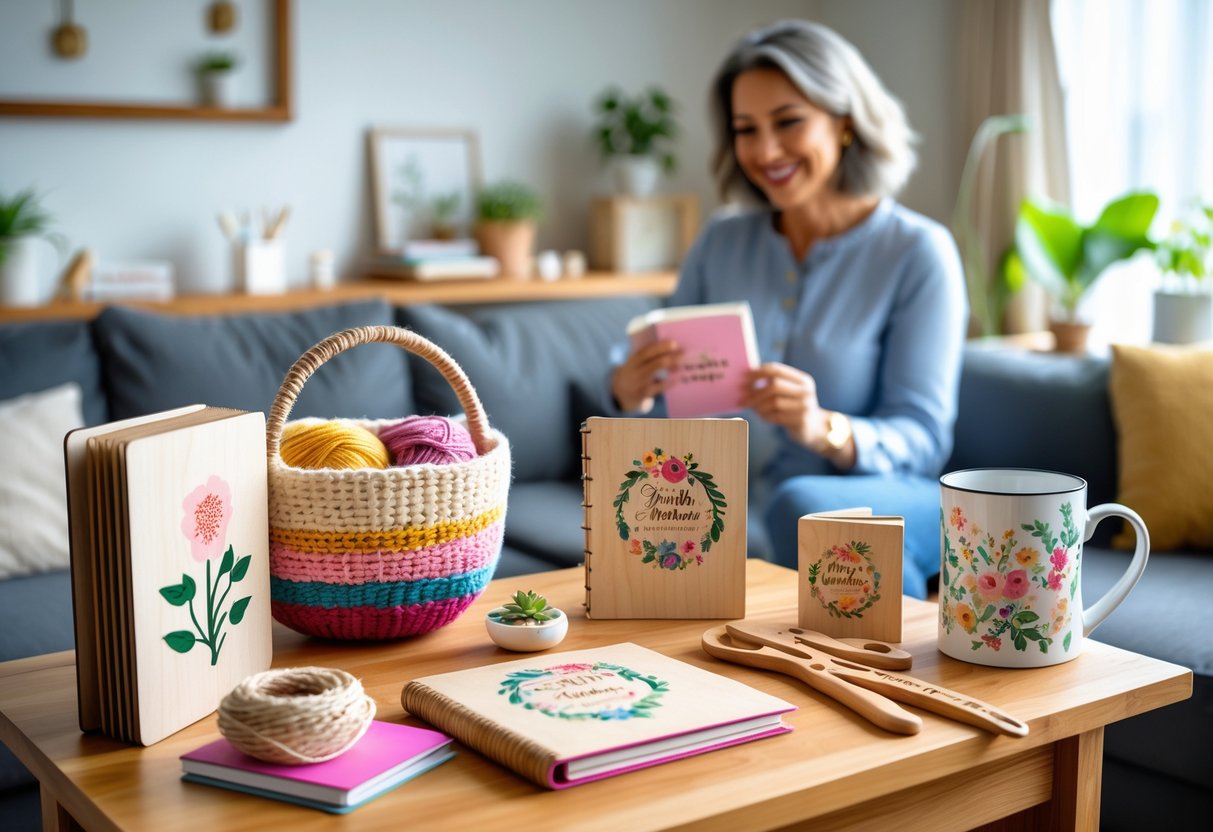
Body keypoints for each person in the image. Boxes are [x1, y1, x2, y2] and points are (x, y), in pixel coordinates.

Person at [608, 20, 967, 599]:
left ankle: (885, 676)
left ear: (845, 122)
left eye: (789, 122)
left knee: (806, 507)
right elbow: (664, 400)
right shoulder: (721, 242)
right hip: (730, 497)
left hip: (888, 494)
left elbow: (923, 439)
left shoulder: (918, 252)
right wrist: (629, 390)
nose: (765, 151)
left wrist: (822, 427)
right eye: (746, 129)